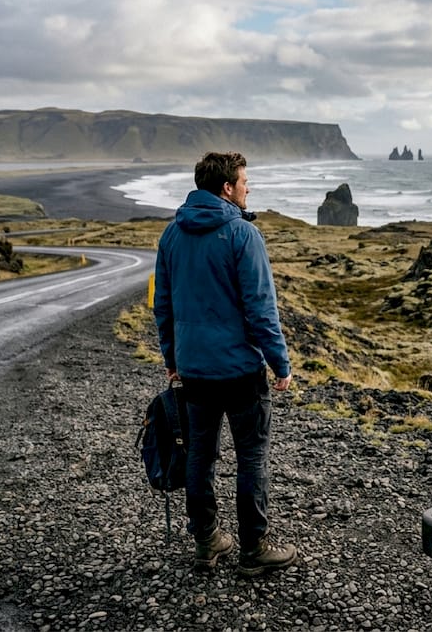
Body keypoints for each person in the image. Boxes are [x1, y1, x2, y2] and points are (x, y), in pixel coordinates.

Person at [153, 151, 297, 577]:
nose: (249, 187)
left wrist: (172, 359)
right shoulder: (242, 235)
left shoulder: (171, 236)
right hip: (239, 371)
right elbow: (260, 309)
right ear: (227, 188)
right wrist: (281, 364)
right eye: (244, 181)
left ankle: (207, 541)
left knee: (200, 454)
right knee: (251, 456)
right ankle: (254, 548)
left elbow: (163, 306)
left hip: (194, 369)